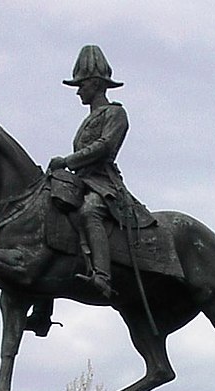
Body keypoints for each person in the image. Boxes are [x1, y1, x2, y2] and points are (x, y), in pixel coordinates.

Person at [48, 45, 132, 301]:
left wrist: (68, 159)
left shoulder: (116, 113)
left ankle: (103, 277)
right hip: (81, 181)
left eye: (81, 85)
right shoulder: (88, 119)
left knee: (90, 211)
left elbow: (105, 146)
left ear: (95, 84)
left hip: (104, 185)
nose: (78, 91)